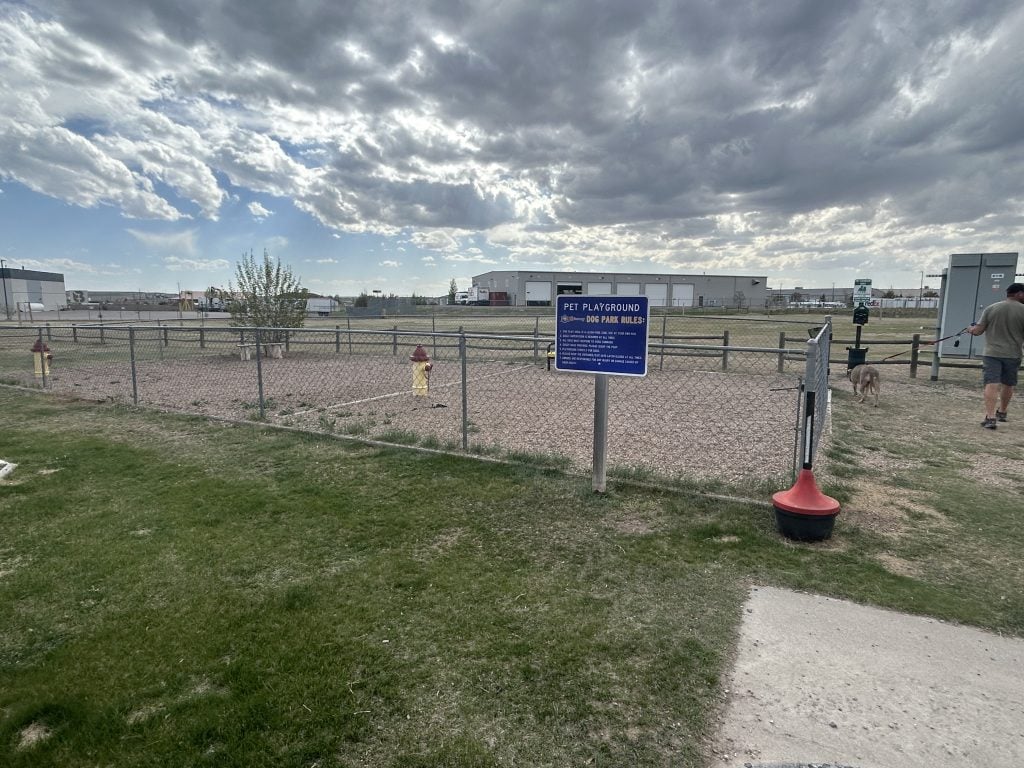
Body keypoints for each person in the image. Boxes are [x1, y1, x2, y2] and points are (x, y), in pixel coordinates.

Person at [966, 282, 1024, 429]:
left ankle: (990, 417)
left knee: (991, 383)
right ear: (1019, 294)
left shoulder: (992, 308)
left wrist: (971, 329)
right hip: (1013, 353)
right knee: (1008, 384)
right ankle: (1002, 412)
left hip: (992, 353)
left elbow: (978, 331)